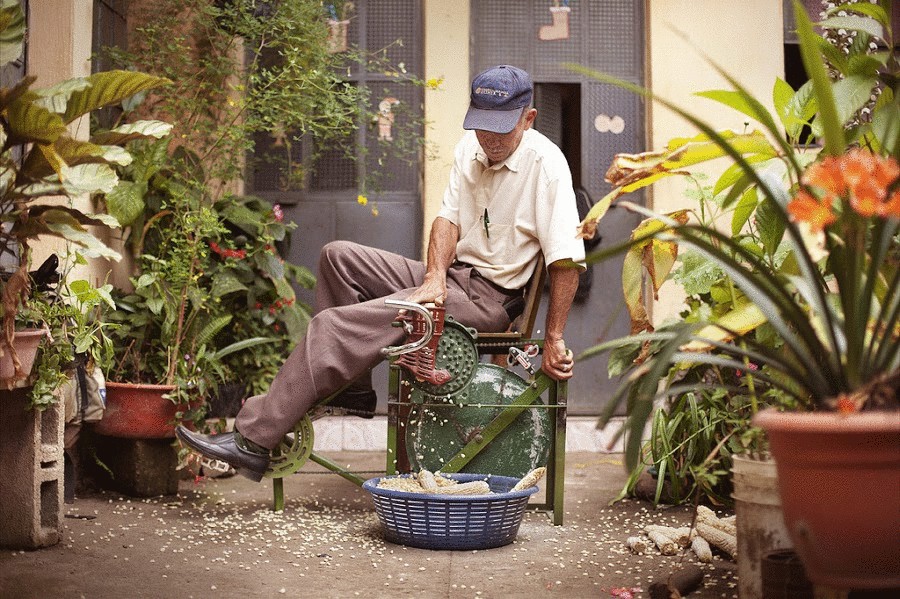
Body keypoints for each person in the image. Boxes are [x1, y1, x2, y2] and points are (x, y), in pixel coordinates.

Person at [176, 64, 586, 481]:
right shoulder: (472, 148)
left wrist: (553, 338)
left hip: (489, 302)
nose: (489, 139)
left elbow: (566, 261)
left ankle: (252, 440)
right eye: (482, 126)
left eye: (500, 129)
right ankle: (351, 389)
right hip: (456, 279)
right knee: (338, 257)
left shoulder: (547, 167)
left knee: (333, 327)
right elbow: (446, 222)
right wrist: (433, 278)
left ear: (528, 118)